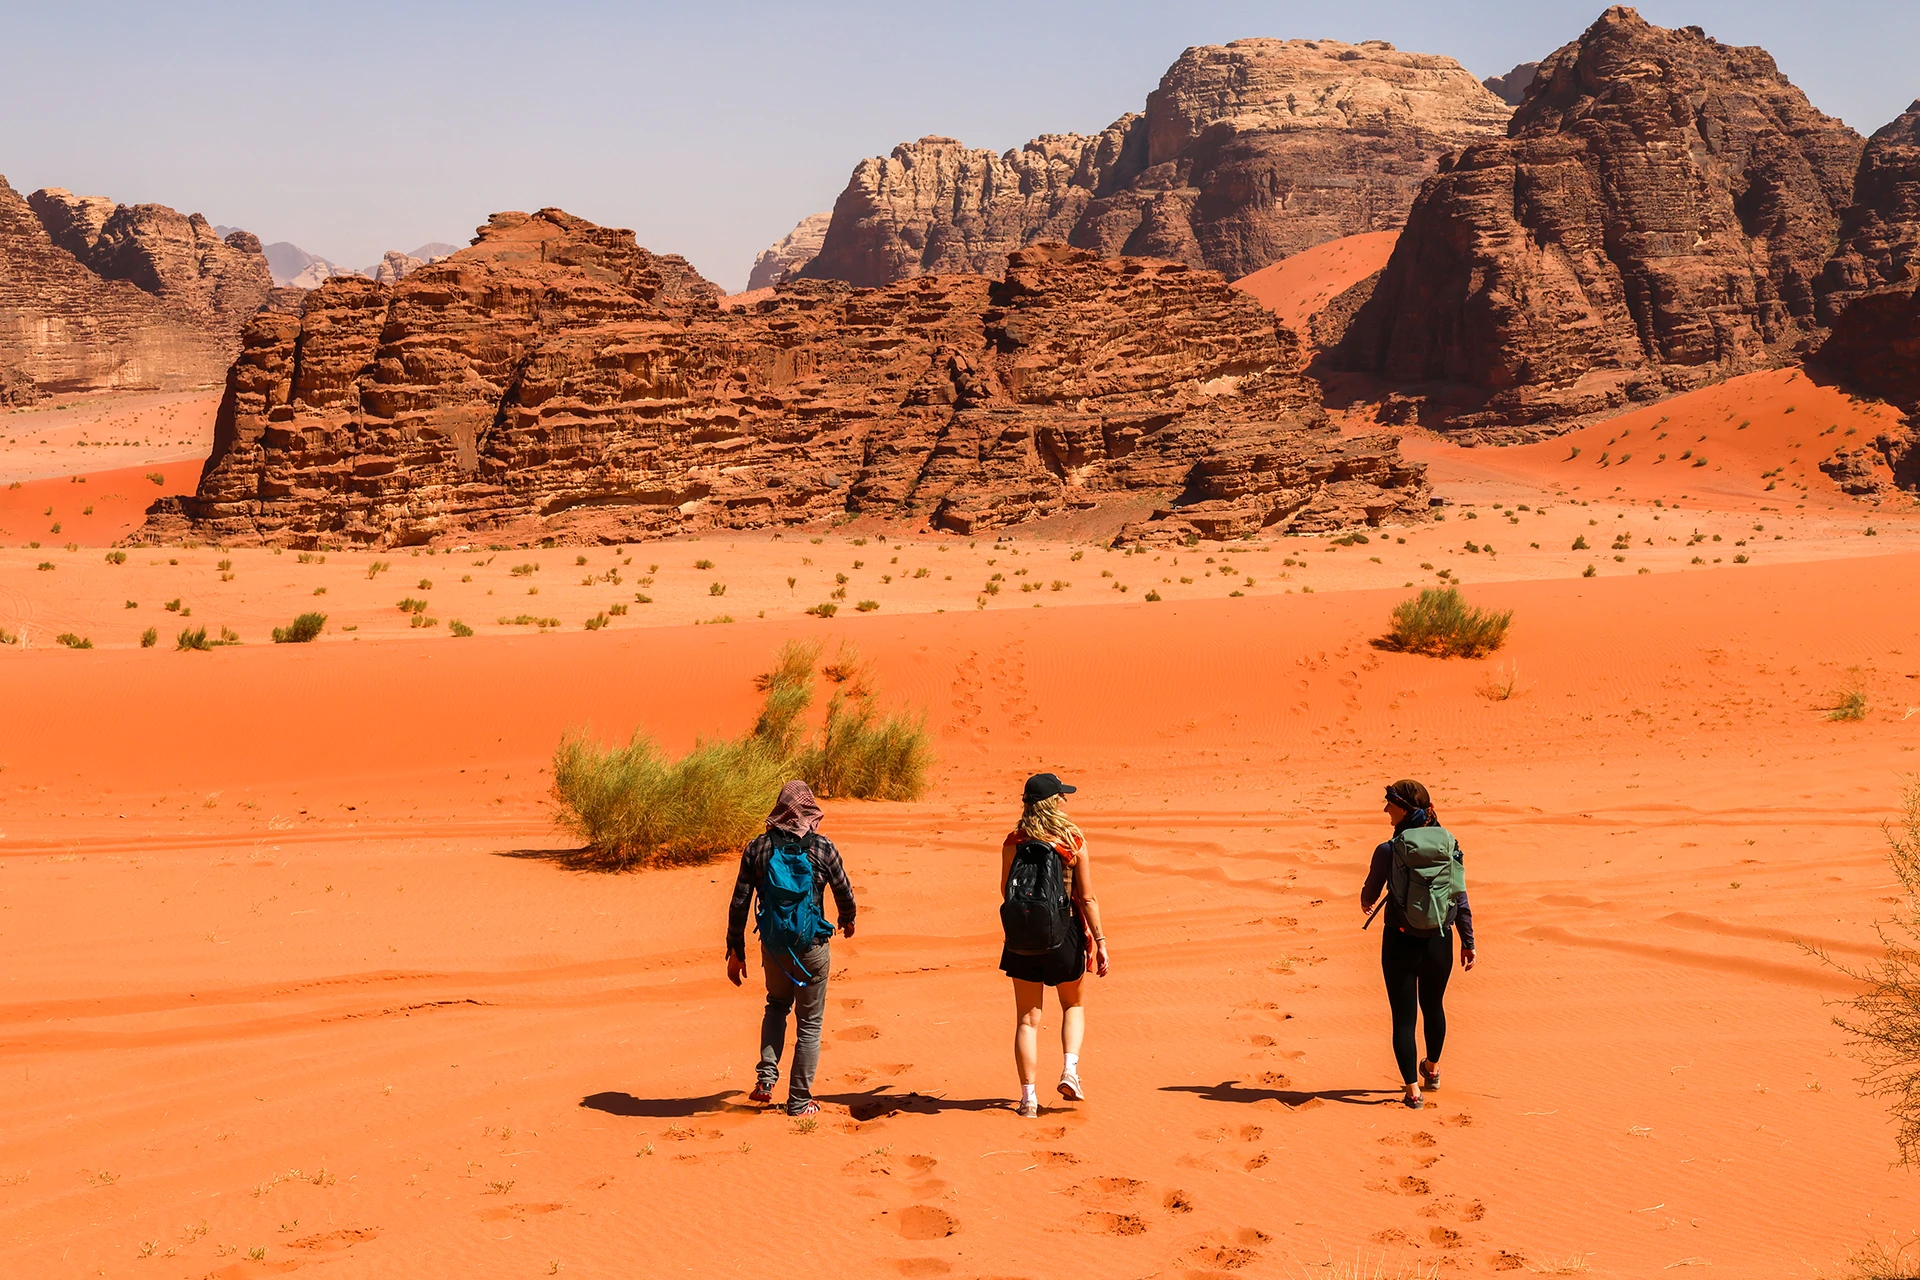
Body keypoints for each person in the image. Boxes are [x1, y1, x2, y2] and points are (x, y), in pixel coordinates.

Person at [726, 780, 857, 1117]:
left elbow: (740, 903)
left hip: (774, 949)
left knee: (776, 1005)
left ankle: (766, 1079)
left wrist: (735, 950)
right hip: (812, 946)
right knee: (810, 1024)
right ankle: (799, 1101)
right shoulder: (823, 848)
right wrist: (847, 919)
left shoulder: (758, 848)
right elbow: (844, 891)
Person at [1360, 779, 1476, 1110]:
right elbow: (1460, 896)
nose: (1385, 810)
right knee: (1434, 1006)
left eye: (1390, 804)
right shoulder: (1449, 844)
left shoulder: (1388, 849)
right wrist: (1468, 941)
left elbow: (1369, 894)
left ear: (1405, 809)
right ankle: (1433, 1070)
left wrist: (1367, 901)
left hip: (1399, 940)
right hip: (1440, 938)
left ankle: (1413, 1091)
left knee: (1404, 1018)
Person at [999, 772, 1110, 1118]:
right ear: (1053, 802)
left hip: (1022, 940)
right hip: (1066, 936)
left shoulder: (1014, 840)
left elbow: (1006, 890)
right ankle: (1070, 1072)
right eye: (1062, 795)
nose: (1066, 800)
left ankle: (1027, 1099)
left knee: (1027, 1020)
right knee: (1072, 1005)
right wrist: (1101, 941)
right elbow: (1087, 898)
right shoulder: (1072, 839)